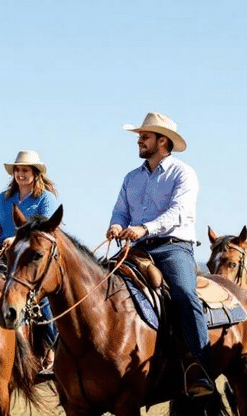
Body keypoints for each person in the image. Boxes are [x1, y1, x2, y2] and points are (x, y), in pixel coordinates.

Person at [106, 112, 215, 397]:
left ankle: (199, 367)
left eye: (145, 137)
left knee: (183, 292)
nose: (139, 141)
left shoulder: (183, 173)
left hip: (172, 246)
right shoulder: (131, 177)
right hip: (136, 248)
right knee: (102, 286)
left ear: (162, 141)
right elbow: (120, 209)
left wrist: (145, 228)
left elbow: (178, 211)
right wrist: (116, 224)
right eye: (140, 137)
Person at [0, 150, 60, 371]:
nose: (20, 174)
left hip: (30, 255)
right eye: (17, 170)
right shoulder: (4, 198)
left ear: (36, 174)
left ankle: (52, 347)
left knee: (40, 297)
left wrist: (14, 239)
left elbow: (42, 231)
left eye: (25, 170)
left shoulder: (45, 198)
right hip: (3, 253)